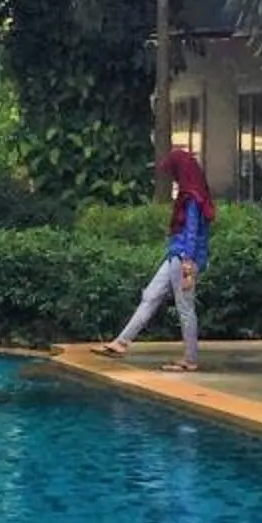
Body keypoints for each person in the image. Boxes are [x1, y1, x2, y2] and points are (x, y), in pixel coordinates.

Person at [100, 147, 214, 372]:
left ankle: (190, 359)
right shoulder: (192, 194)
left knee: (185, 307)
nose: (172, 177)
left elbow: (192, 231)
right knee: (150, 295)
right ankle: (122, 342)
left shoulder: (192, 197)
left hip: (183, 258)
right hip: (176, 255)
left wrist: (188, 264)